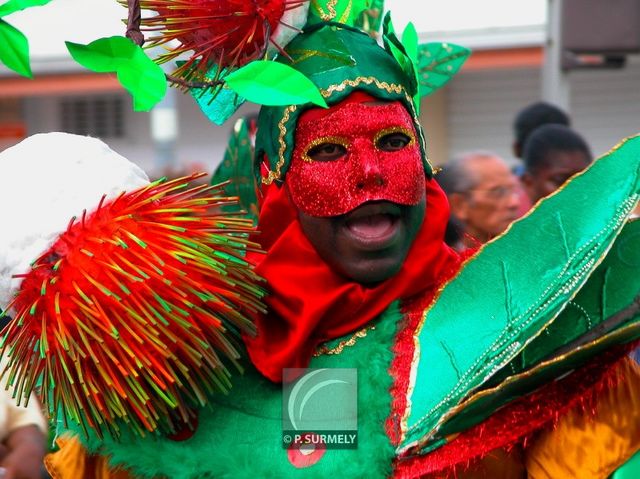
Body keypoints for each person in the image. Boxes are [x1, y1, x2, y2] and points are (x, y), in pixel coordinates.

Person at [0, 3, 639, 479]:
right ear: (279, 186)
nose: (369, 172)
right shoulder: (204, 335)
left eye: (392, 143)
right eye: (330, 151)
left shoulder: (515, 308)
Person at [437, 152, 521, 250]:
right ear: (459, 205)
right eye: (498, 192)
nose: (514, 203)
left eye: (513, 190)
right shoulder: (445, 263)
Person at [520, 123, 593, 204]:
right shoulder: (509, 213)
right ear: (528, 183)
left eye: (584, 181)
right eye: (560, 181)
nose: (576, 192)